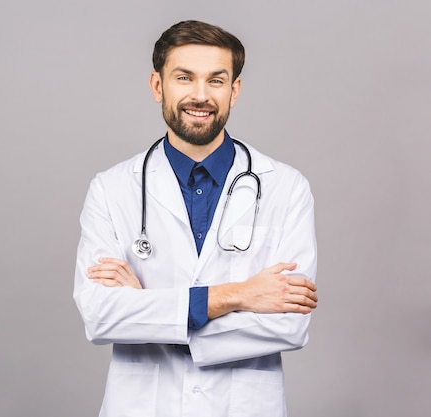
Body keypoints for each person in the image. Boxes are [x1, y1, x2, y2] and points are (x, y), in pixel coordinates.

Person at [73, 20, 318, 417]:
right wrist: (238, 295)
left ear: (234, 91)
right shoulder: (111, 188)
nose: (200, 96)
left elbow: (288, 326)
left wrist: (146, 308)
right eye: (184, 78)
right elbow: (101, 318)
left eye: (216, 81)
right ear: (158, 86)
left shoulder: (286, 187)